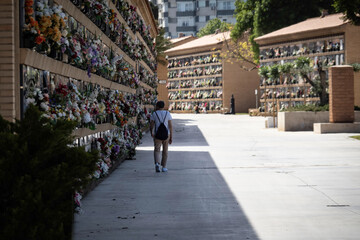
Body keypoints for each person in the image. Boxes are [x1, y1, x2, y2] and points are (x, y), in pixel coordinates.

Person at [150, 101, 173, 172]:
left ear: (157, 106)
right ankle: (164, 167)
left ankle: (157, 163)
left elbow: (151, 125)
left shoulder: (154, 114)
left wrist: (152, 132)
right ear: (164, 106)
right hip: (166, 134)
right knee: (165, 151)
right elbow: (170, 126)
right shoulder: (167, 113)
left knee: (157, 149)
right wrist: (171, 136)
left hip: (157, 134)